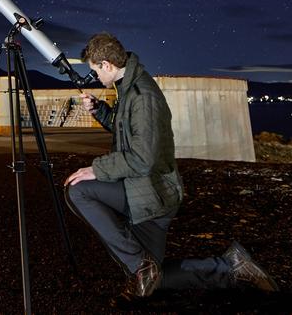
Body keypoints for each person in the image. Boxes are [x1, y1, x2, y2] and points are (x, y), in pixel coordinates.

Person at [64, 32, 278, 304]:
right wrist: (100, 111)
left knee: (79, 190)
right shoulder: (129, 89)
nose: (94, 76)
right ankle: (232, 267)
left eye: (95, 71)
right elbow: (128, 132)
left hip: (154, 192)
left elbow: (143, 157)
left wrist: (97, 169)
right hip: (146, 187)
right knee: (154, 277)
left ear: (106, 64)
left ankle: (141, 266)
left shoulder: (142, 96)